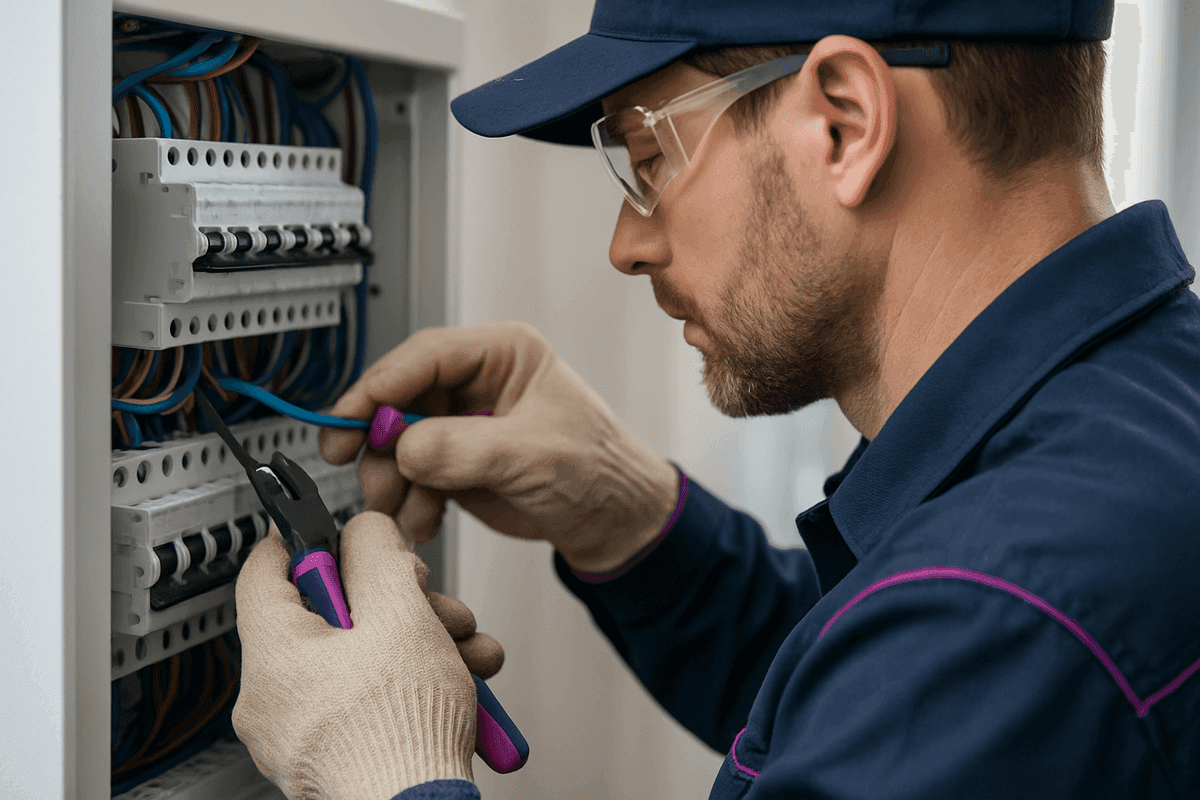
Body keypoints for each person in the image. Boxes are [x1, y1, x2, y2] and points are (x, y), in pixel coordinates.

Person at [230, 0, 1200, 797]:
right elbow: (864, 706)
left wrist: (390, 770)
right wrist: (630, 516)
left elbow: (935, 669)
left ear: (844, 122)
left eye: (648, 159)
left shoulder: (1009, 613)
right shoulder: (1140, 412)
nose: (627, 243)